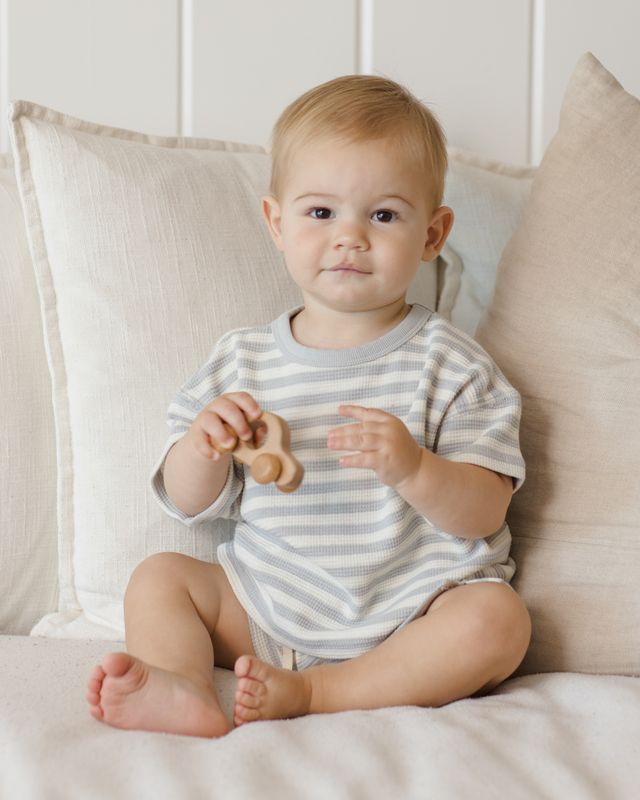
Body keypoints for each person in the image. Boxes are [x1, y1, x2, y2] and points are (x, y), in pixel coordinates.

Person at [86, 75, 531, 737]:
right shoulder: (242, 362)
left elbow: (485, 511)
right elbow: (183, 502)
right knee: (159, 577)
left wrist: (415, 469)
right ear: (277, 223)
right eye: (322, 213)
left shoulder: (453, 364)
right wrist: (201, 446)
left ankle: (319, 692)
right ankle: (181, 685)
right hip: (267, 610)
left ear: (433, 233)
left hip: (409, 617)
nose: (350, 237)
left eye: (383, 215)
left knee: (500, 621)